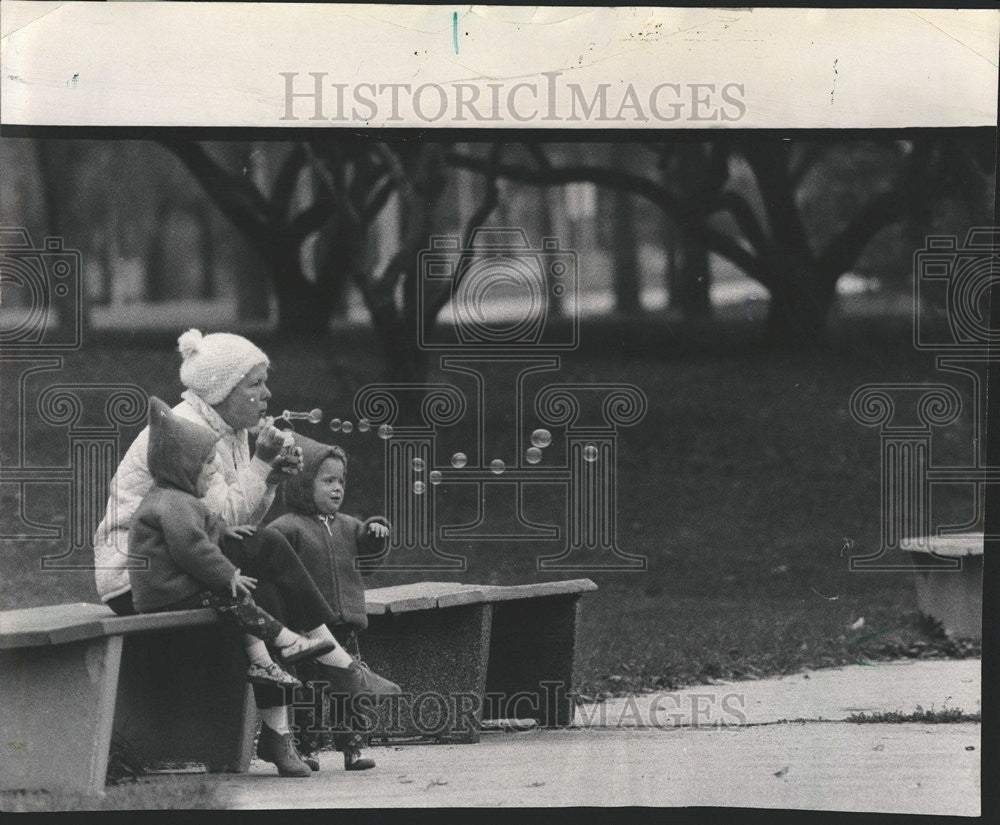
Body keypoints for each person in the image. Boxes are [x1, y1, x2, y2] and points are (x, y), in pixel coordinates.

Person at [93, 329, 398, 777]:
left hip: (182, 560)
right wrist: (260, 466)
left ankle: (279, 736)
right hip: (137, 578)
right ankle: (342, 666)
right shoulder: (190, 430)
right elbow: (207, 521)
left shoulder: (229, 429)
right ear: (221, 391)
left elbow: (236, 524)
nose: (267, 393)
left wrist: (269, 476)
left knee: (268, 581)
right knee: (271, 545)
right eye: (254, 384)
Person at [129, 397, 335, 693]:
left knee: (237, 596)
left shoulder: (176, 498)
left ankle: (268, 657)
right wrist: (228, 574)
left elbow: (204, 526)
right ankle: (283, 644)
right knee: (233, 595)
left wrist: (224, 533)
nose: (215, 470)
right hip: (165, 593)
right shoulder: (174, 503)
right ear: (183, 467)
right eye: (208, 463)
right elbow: (191, 548)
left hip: (170, 588)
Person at [268, 436, 394, 771]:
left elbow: (367, 564)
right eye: (327, 481)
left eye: (341, 481)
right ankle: (307, 749)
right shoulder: (287, 527)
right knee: (309, 689)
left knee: (348, 688)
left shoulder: (351, 527)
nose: (337, 488)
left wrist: (376, 536)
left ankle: (352, 747)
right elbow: (273, 564)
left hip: (345, 622)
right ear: (302, 485)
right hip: (306, 626)